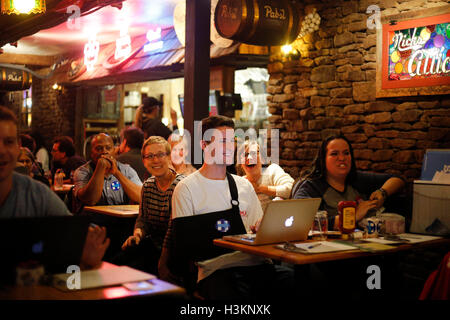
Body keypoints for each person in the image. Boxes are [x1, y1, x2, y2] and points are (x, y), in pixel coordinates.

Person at [159, 115, 294, 300]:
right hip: (217, 271)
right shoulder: (186, 188)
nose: (230, 146)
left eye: (232, 141)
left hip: (257, 264)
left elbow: (259, 231)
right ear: (204, 145)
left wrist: (263, 229)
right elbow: (185, 248)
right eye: (222, 141)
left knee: (295, 281)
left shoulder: (243, 186)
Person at [0, 105, 109, 271]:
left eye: (8, 142)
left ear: (18, 148)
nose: (1, 150)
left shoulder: (36, 194)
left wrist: (84, 255)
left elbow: (80, 234)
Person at [291, 134, 405, 230]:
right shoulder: (310, 186)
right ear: (323, 159)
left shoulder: (356, 178)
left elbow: (398, 179)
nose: (342, 158)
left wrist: (382, 193)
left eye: (346, 153)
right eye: (334, 154)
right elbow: (302, 221)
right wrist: (352, 216)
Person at [116, 136, 184, 274]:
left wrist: (163, 263)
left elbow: (174, 230)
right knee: (115, 264)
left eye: (160, 155)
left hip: (175, 252)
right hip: (152, 247)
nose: (155, 160)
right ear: (144, 161)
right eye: (150, 156)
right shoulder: (148, 185)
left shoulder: (181, 186)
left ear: (169, 157)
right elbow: (143, 220)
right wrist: (137, 235)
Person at [73, 133, 142, 211]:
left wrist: (117, 173)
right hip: (93, 220)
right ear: (91, 153)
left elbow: (140, 196)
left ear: (114, 150)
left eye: (108, 148)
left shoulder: (126, 170)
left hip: (120, 220)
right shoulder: (82, 172)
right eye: (99, 149)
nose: (104, 152)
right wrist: (101, 167)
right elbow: (90, 200)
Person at [236, 140, 294, 212]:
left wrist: (260, 189)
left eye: (254, 153)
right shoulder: (238, 183)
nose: (249, 158)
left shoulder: (272, 170)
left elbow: (291, 189)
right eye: (245, 155)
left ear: (262, 159)